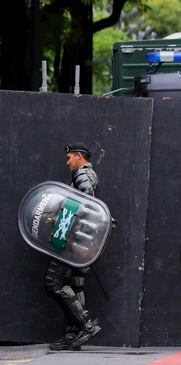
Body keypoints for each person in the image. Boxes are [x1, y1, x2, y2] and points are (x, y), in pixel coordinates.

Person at [45, 143, 103, 351]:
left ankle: (85, 325)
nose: (67, 162)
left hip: (74, 239)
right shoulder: (90, 174)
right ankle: (72, 334)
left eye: (70, 157)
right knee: (74, 284)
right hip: (84, 240)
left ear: (79, 156)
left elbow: (87, 203)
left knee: (54, 282)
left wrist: (67, 225)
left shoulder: (82, 175)